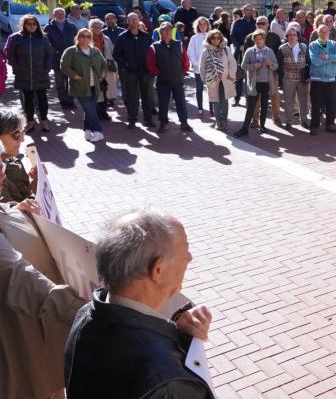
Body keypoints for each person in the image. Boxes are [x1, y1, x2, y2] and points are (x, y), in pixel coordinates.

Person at [64, 210, 214, 399]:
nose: (189, 257)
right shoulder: (169, 383)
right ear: (158, 269)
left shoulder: (87, 315)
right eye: (185, 248)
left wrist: (177, 336)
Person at [1, 195, 87, 399]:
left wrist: (13, 211)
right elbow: (19, 278)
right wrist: (83, 311)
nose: (2, 178)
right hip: (22, 345)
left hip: (42, 333)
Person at [3, 15, 52, 132]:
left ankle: (44, 120)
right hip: (23, 74)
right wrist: (16, 66)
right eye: (29, 24)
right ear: (24, 25)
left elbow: (49, 54)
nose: (32, 26)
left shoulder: (43, 38)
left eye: (34, 24)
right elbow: (8, 52)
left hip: (41, 73)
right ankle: (30, 121)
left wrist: (47, 67)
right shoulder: (15, 37)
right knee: (27, 100)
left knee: (42, 99)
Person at [60, 28, 108, 142]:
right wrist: (74, 76)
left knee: (89, 110)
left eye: (88, 36)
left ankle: (87, 130)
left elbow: (104, 63)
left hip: (95, 86)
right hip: (80, 86)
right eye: (82, 36)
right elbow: (64, 66)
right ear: (77, 37)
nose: (85, 38)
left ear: (90, 39)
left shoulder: (95, 50)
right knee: (90, 110)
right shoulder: (71, 51)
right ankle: (98, 131)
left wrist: (103, 72)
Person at [146, 22, 191, 134]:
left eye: (169, 30)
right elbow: (151, 64)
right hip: (163, 80)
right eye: (164, 30)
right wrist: (157, 72)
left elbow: (185, 60)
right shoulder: (154, 47)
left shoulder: (179, 44)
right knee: (163, 103)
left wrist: (184, 71)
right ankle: (163, 123)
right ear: (160, 32)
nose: (167, 32)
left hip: (178, 79)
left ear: (172, 31)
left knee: (181, 102)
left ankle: (184, 123)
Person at [114, 14, 154, 129]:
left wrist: (150, 65)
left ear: (138, 20)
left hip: (145, 71)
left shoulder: (146, 36)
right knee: (132, 96)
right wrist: (125, 64)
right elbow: (116, 54)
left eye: (135, 19)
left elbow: (152, 52)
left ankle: (148, 119)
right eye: (131, 19)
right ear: (127, 21)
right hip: (130, 72)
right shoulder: (122, 37)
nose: (133, 21)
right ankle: (132, 119)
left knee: (147, 95)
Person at [234, 30, 277, 137]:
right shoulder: (249, 51)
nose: (259, 41)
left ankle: (262, 125)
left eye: (261, 39)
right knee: (251, 106)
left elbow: (276, 66)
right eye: (257, 39)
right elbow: (243, 65)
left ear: (264, 40)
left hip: (266, 82)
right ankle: (244, 128)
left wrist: (270, 64)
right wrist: (253, 66)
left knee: (264, 105)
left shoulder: (269, 51)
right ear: (254, 40)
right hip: (254, 83)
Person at [246, 17, 283, 127]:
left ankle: (276, 117)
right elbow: (245, 59)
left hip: (271, 72)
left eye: (263, 23)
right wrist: (251, 67)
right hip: (255, 73)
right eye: (258, 23)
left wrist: (272, 65)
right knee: (255, 97)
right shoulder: (250, 37)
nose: (261, 25)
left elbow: (279, 55)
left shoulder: (274, 37)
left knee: (274, 95)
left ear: (268, 24)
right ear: (255, 24)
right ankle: (255, 119)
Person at [309, 24, 336, 135]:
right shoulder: (313, 45)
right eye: (321, 32)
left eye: (326, 31)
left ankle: (330, 124)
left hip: (330, 79)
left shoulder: (334, 44)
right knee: (316, 104)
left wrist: (326, 57)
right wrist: (331, 59)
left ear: (329, 32)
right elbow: (315, 61)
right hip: (317, 78)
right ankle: (314, 126)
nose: (324, 34)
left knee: (331, 104)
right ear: (318, 33)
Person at [198, 29, 236, 132]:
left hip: (225, 79)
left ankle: (225, 121)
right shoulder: (205, 51)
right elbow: (202, 67)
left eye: (218, 38)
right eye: (213, 38)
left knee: (225, 101)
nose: (216, 40)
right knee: (216, 102)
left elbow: (232, 63)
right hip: (213, 81)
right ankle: (218, 122)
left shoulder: (226, 49)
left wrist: (230, 75)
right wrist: (205, 80)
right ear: (209, 39)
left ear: (221, 38)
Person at [0, 110, 38, 203]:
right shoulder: (1, 175)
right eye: (16, 134)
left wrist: (33, 178)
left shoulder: (13, 158)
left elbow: (23, 190)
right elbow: (10, 211)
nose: (22, 139)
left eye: (22, 132)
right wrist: (35, 188)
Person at [45, 8, 77, 108]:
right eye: (57, 14)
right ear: (54, 15)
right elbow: (47, 43)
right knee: (60, 82)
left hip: (70, 59)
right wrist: (54, 51)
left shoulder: (72, 26)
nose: (60, 15)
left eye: (62, 13)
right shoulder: (48, 28)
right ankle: (63, 101)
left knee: (71, 81)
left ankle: (70, 101)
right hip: (56, 58)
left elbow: (76, 41)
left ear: (65, 14)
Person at [280, 27, 310, 131]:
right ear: (287, 37)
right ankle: (288, 122)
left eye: (294, 35)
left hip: (302, 79)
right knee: (288, 102)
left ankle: (304, 121)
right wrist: (282, 78)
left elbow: (309, 62)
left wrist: (309, 76)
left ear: (298, 36)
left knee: (303, 101)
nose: (292, 37)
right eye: (289, 35)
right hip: (288, 79)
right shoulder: (282, 48)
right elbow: (278, 65)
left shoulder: (304, 47)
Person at [89, 19, 119, 122]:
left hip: (106, 68)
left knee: (105, 90)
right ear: (90, 28)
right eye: (95, 27)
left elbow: (113, 51)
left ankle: (103, 112)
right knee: (95, 92)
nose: (97, 29)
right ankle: (95, 113)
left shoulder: (106, 38)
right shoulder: (86, 38)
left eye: (99, 27)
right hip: (93, 69)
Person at [229, 5, 256, 106]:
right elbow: (232, 35)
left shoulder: (256, 23)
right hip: (239, 53)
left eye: (251, 10)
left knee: (251, 77)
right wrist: (239, 46)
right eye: (247, 10)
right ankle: (236, 99)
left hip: (253, 53)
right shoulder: (237, 22)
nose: (249, 12)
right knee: (239, 78)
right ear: (243, 11)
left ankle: (250, 99)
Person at [187, 17, 213, 118]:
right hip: (198, 68)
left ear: (207, 25)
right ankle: (200, 108)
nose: (202, 26)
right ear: (197, 26)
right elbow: (190, 51)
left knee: (211, 89)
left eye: (204, 24)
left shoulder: (211, 36)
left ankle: (211, 108)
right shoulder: (194, 38)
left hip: (210, 68)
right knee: (199, 89)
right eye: (200, 24)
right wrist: (196, 63)